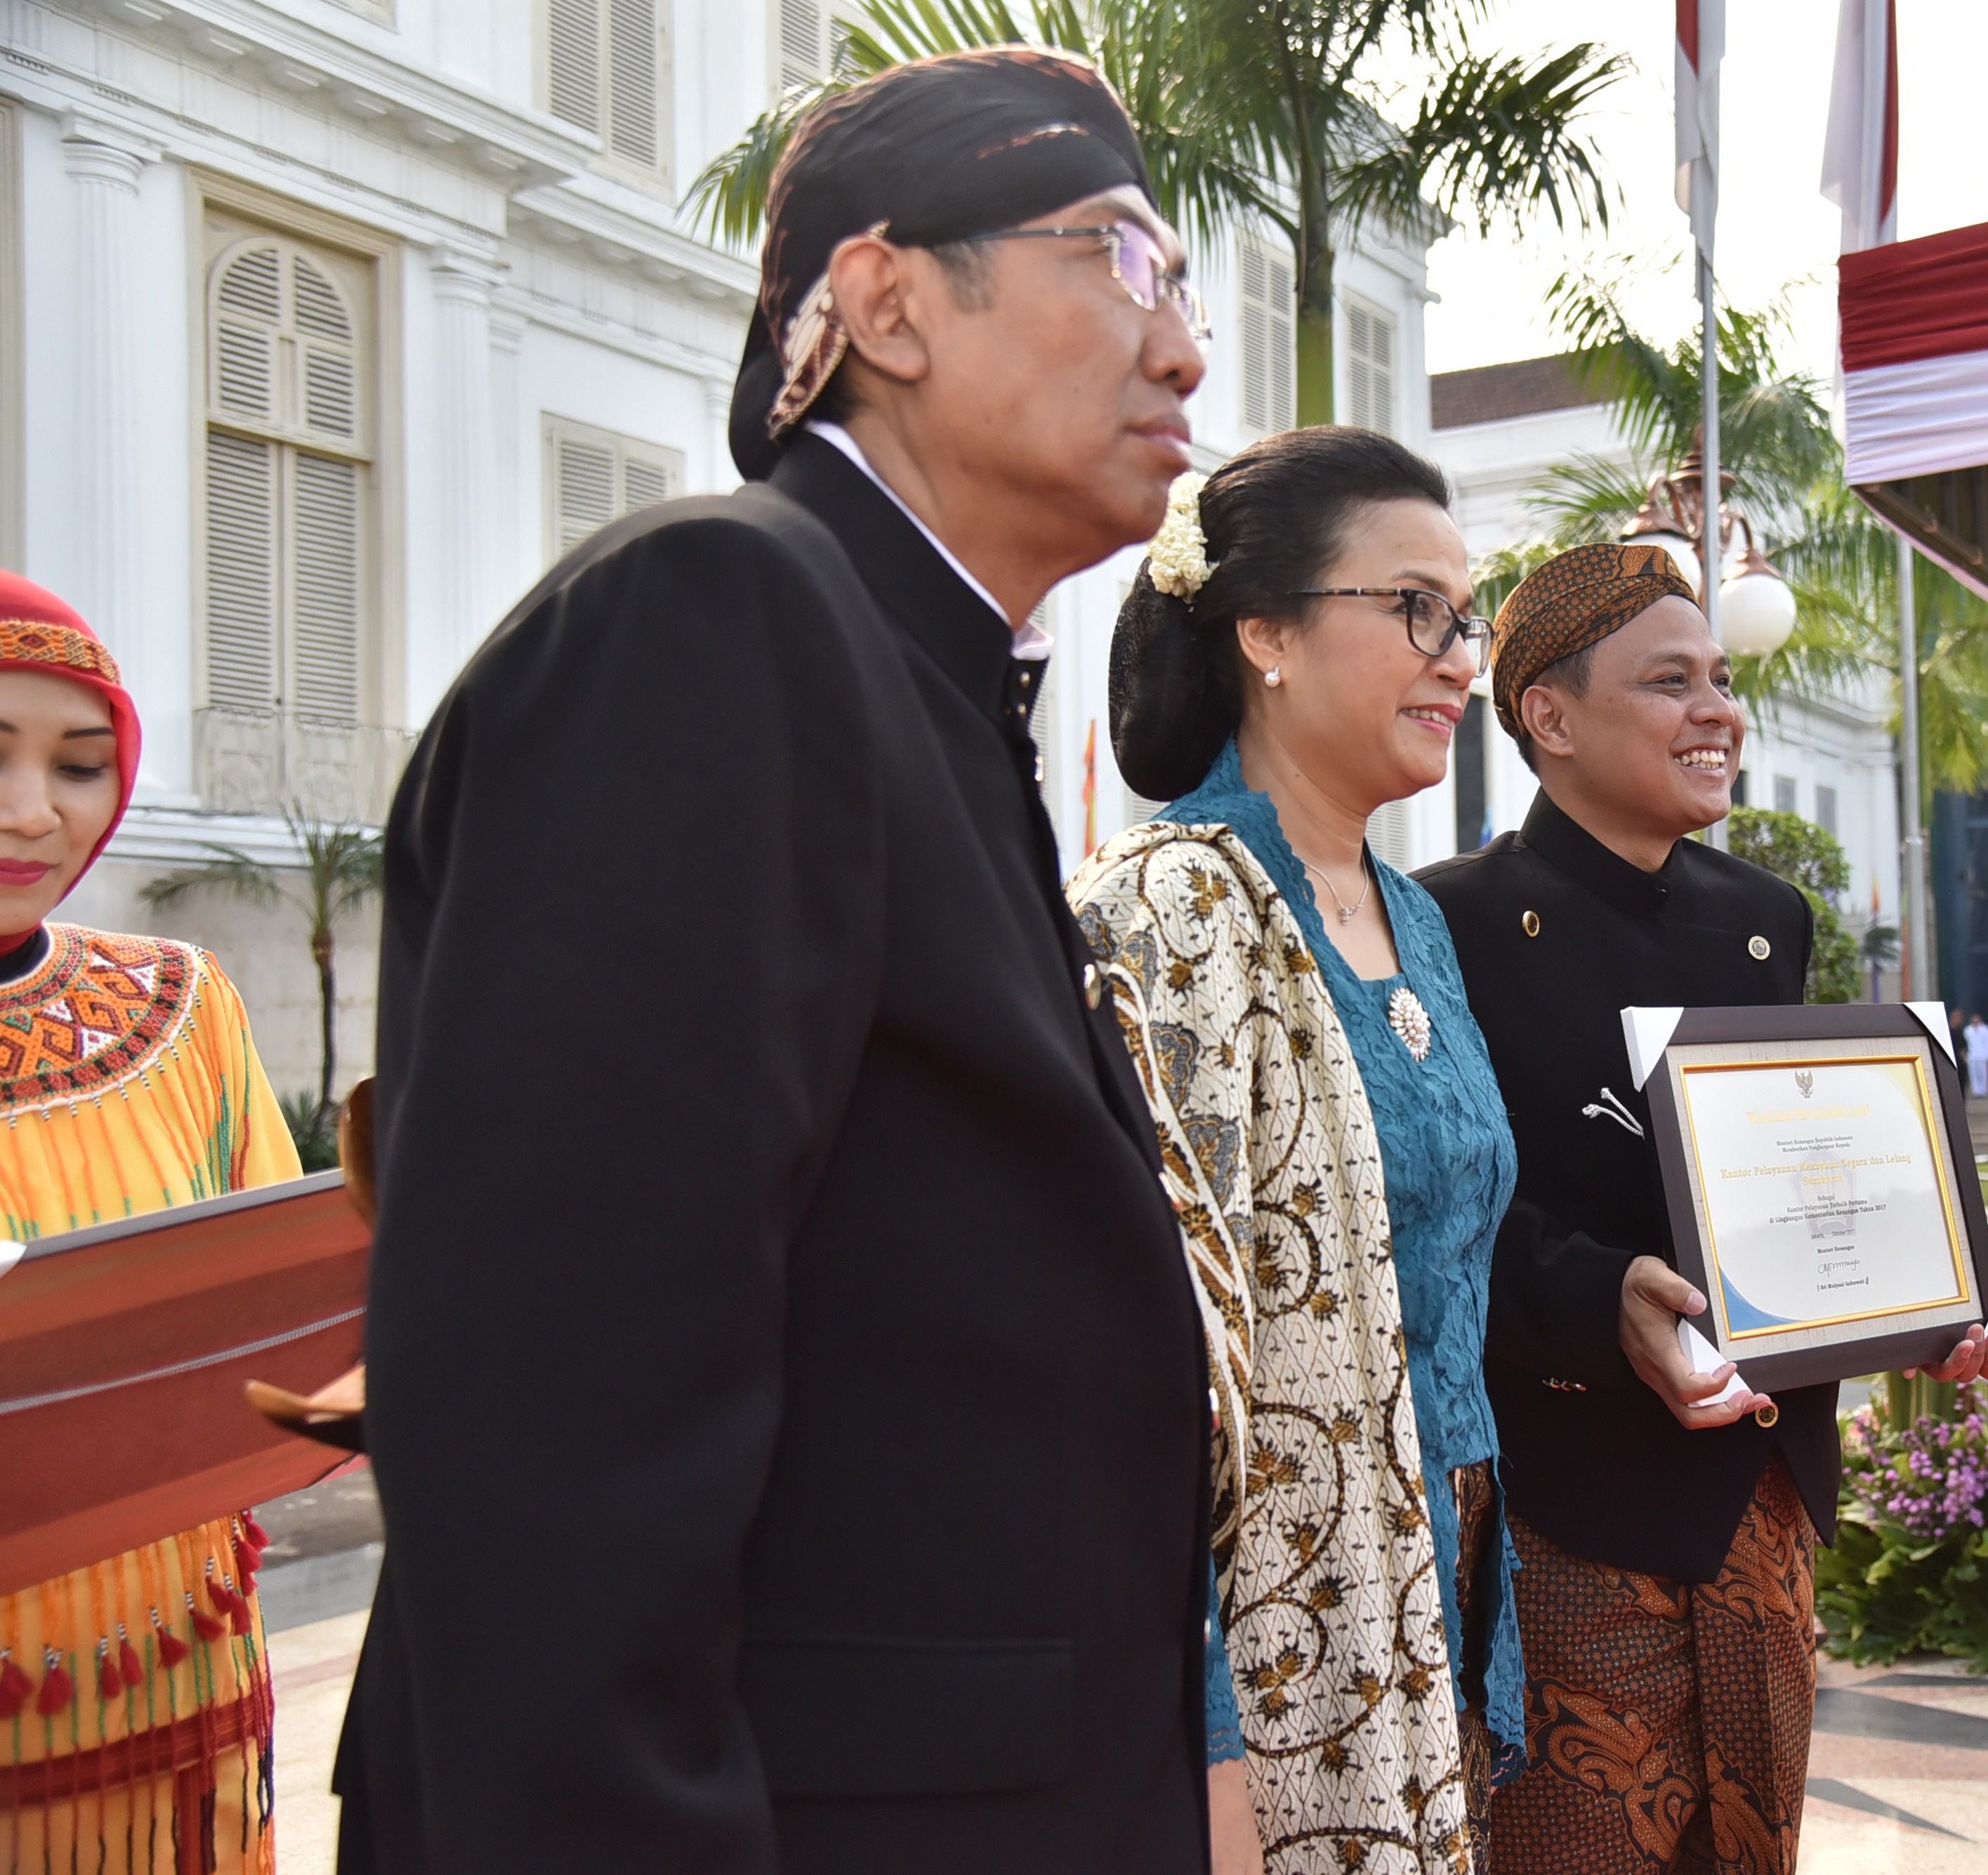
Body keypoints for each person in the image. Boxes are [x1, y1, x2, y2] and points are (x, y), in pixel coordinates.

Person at [336, 51, 1213, 1873]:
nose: (1186, 352)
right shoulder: (719, 619)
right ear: (888, 300)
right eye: (1126, 264)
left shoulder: (938, 693)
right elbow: (560, 1443)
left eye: (1183, 290)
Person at [1416, 544, 1988, 1875]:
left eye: (1725, 680)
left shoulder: (1765, 917)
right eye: (1671, 681)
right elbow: (1440, 1220)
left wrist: (1920, 1281)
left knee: (1752, 1852)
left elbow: (1790, 1177)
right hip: (1574, 1509)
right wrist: (1597, 1298)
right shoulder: (1443, 924)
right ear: (1550, 716)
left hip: (1760, 1490)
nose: (1720, 712)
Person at [1073, 428, 1518, 1873]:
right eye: (1413, 610)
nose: (1458, 658)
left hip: (1436, 1599)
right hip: (1273, 1652)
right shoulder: (1173, 913)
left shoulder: (1417, 917)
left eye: (1466, 617)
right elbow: (1147, 1386)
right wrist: (1207, 1751)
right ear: (1262, 631)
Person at [0, 573, 302, 1871]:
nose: (32, 812)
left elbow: (282, 1318)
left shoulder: (183, 1006)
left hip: (178, 1687)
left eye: (79, 765)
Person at [1964, 1008, 1988, 1098]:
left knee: (1983, 1074)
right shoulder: (1968, 1030)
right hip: (1972, 1055)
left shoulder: (1986, 1029)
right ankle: (1976, 1091)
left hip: (1983, 1055)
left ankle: (1983, 1091)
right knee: (1973, 1074)